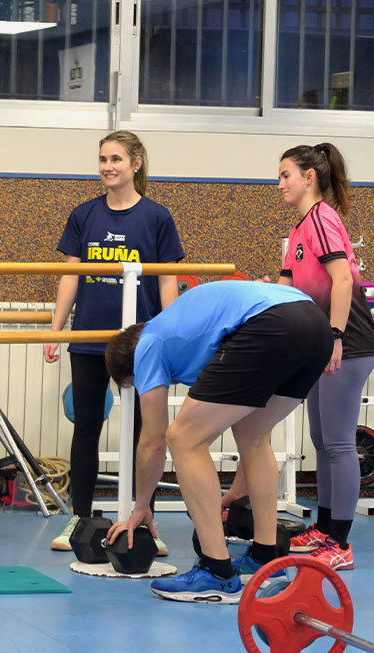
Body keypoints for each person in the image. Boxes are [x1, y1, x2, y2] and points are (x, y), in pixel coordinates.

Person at [104, 280, 331, 603]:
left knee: (182, 438)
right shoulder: (183, 330)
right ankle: (266, 559)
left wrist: (140, 506)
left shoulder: (148, 344)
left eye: (137, 383)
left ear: (131, 370)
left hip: (271, 322)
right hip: (314, 325)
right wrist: (239, 488)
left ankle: (216, 572)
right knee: (254, 434)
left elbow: (154, 441)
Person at [44, 131, 184, 554]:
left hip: (141, 343)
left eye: (116, 159)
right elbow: (71, 274)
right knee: (86, 426)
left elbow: (166, 282)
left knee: (147, 432)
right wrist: (56, 328)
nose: (107, 166)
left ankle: (144, 519)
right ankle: (79, 520)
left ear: (136, 164)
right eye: (102, 159)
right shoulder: (84, 214)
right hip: (90, 339)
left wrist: (170, 336)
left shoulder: (157, 217)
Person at [273, 144, 373, 570]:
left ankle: (341, 544)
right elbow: (289, 285)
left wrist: (334, 337)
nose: (279, 184)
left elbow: (342, 281)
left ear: (309, 177)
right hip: (323, 340)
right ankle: (324, 529)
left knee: (337, 442)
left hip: (347, 340)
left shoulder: (323, 219)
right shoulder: (300, 230)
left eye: (286, 175)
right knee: (321, 442)